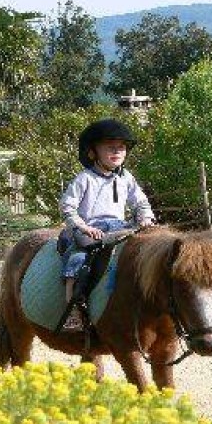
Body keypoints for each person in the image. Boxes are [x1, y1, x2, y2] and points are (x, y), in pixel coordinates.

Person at [59, 118, 156, 331]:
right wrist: (82, 227)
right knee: (78, 259)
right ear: (92, 152)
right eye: (110, 147)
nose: (117, 151)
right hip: (91, 229)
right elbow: (67, 206)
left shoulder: (126, 178)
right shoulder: (84, 178)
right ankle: (73, 310)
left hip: (120, 227)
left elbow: (140, 201)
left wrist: (146, 216)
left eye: (121, 147)